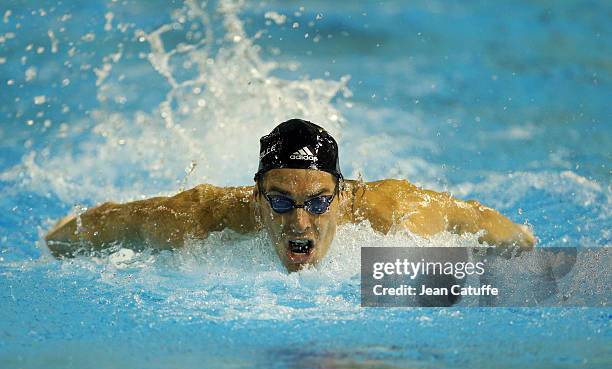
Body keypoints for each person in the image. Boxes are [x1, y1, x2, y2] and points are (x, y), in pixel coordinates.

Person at [45, 118, 535, 271]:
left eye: (319, 202)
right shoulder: (193, 218)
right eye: (281, 201)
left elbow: (512, 239)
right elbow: (65, 239)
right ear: (256, 199)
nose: (300, 222)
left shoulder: (397, 214)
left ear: (342, 198)